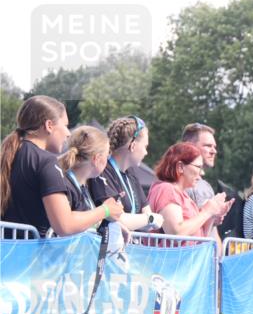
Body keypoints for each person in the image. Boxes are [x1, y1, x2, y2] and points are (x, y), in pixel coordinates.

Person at [1, 95, 121, 237]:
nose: (68, 133)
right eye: (65, 125)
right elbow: (65, 225)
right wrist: (105, 210)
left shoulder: (11, 154)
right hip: (35, 256)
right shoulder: (46, 161)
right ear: (49, 126)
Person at [148, 142, 231, 246]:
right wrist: (206, 212)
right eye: (198, 167)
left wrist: (212, 215)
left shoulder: (184, 196)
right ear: (180, 167)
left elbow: (200, 237)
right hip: (170, 261)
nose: (202, 173)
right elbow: (176, 233)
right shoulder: (166, 189)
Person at [89, 115, 162, 233]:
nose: (146, 152)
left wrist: (148, 219)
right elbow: (117, 218)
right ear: (133, 146)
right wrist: (149, 219)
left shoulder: (130, 173)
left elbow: (147, 215)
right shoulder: (103, 170)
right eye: (145, 146)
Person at [58, 126, 126, 250]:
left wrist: (115, 226)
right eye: (107, 156)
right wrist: (105, 210)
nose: (107, 160)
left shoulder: (86, 186)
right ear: (96, 159)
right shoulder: (64, 183)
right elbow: (68, 222)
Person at [181, 122, 219, 207]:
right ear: (189, 146)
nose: (214, 151)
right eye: (208, 146)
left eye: (214, 147)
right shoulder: (178, 183)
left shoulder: (206, 186)